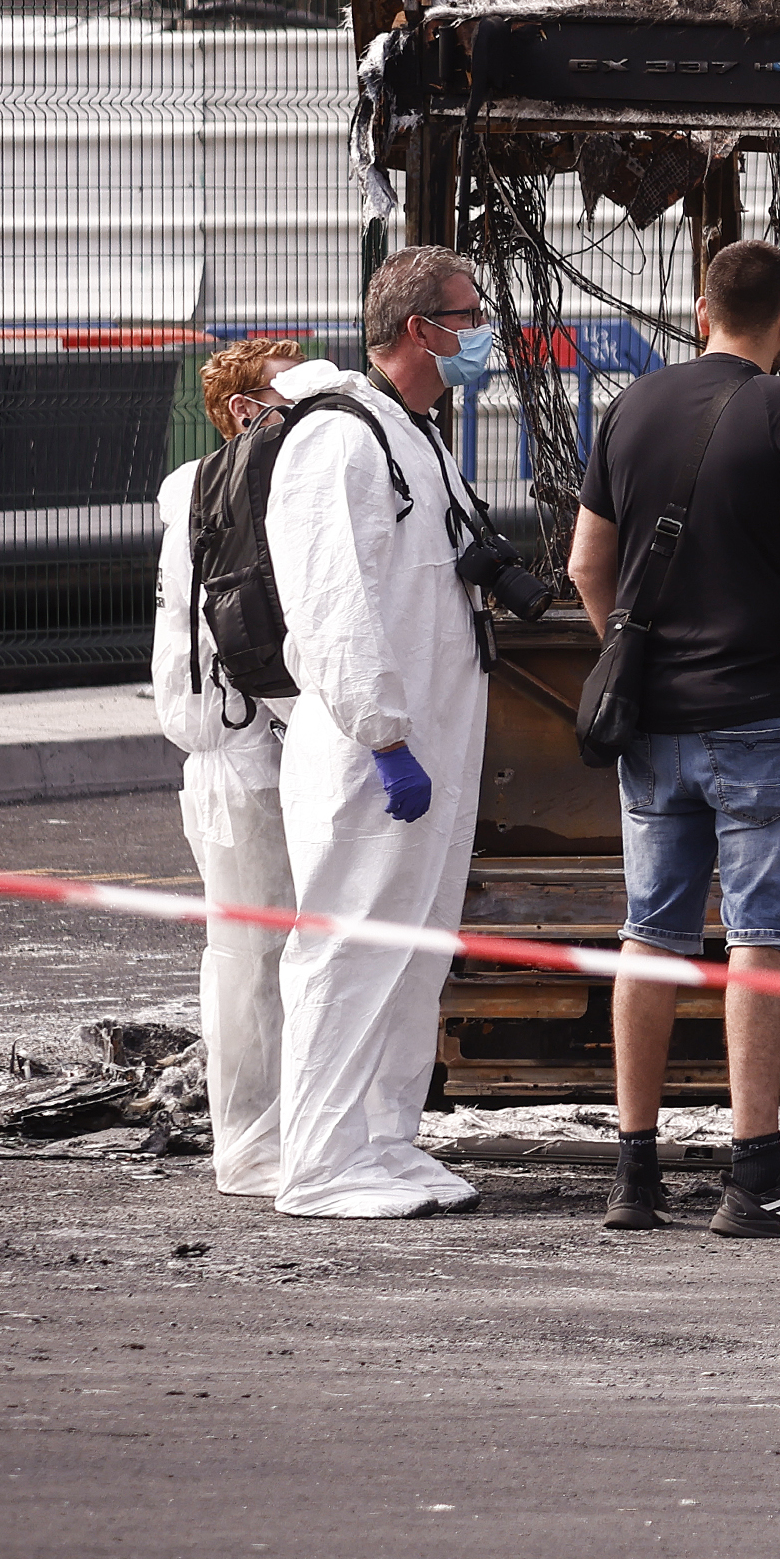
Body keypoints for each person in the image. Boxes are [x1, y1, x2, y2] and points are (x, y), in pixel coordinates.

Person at [565, 235, 780, 1238]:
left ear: (701, 312)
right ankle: (752, 1175)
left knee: (649, 933)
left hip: (655, 723)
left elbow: (583, 565)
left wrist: (630, 656)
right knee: (760, 938)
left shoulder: (631, 408)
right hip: (765, 714)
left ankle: (633, 1173)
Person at [260, 250, 502, 1218]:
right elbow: (329, 602)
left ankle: (383, 1139)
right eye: (469, 313)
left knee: (413, 949)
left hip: (431, 735)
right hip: (373, 750)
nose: (484, 330)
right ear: (418, 328)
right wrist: (383, 734)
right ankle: (318, 1160)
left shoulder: (417, 435)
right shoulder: (341, 439)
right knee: (350, 948)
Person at [147, 334, 312, 1196]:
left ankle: (279, 1128)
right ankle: (251, 1139)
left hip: (243, 742)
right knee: (251, 956)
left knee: (273, 952)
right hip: (238, 745)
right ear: (246, 414)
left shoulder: (209, 489)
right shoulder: (219, 493)